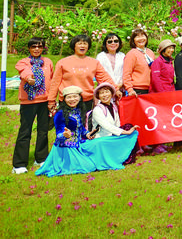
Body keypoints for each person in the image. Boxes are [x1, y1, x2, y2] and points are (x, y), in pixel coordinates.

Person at [12, 38, 53, 174]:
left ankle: (41, 158)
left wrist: (53, 99)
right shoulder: (23, 62)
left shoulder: (48, 62)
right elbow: (23, 71)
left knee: (43, 131)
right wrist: (29, 78)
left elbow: (52, 79)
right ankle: (19, 164)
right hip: (28, 102)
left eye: (39, 46)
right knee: (25, 132)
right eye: (33, 46)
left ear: (43, 48)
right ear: (29, 48)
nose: (36, 49)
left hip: (44, 101)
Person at [36, 86, 96, 176]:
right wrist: (65, 135)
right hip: (65, 148)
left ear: (80, 98)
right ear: (64, 99)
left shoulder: (78, 110)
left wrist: (87, 134)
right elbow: (59, 135)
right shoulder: (60, 114)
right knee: (89, 167)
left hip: (78, 143)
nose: (72, 100)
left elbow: (81, 129)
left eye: (75, 97)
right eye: (69, 97)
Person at [48, 34, 115, 113]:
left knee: (85, 124)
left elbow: (104, 78)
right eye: (79, 43)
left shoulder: (94, 63)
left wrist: (116, 89)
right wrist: (51, 100)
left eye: (85, 43)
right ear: (74, 46)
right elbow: (55, 82)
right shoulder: (62, 63)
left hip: (86, 100)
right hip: (68, 100)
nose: (82, 46)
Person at [86, 82, 139, 168]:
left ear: (111, 93)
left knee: (131, 129)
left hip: (112, 135)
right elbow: (107, 126)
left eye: (107, 92)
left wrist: (126, 132)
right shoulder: (97, 110)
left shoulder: (113, 106)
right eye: (102, 93)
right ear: (98, 96)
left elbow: (117, 124)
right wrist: (125, 132)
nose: (105, 95)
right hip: (102, 137)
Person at [123, 29, 155, 97]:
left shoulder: (150, 52)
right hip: (137, 90)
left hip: (150, 89)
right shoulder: (132, 54)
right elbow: (126, 74)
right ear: (133, 40)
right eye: (137, 37)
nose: (141, 38)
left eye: (142, 36)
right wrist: (130, 90)